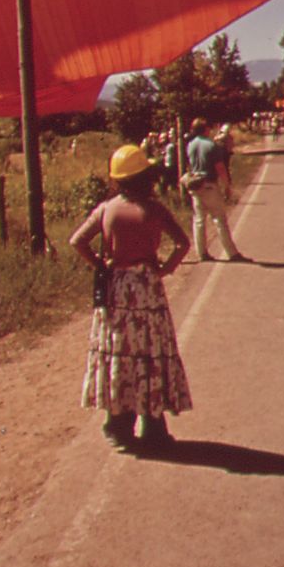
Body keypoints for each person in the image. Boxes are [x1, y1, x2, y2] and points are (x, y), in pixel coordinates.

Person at [70, 145, 192, 450]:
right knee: (150, 353)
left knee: (118, 353)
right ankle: (153, 425)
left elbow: (77, 241)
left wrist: (100, 263)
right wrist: (164, 268)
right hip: (147, 287)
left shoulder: (107, 209)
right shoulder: (155, 209)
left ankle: (118, 424)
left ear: (117, 180)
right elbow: (182, 243)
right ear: (145, 176)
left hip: (117, 288)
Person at [183, 118, 247, 262]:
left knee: (199, 220)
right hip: (209, 184)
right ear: (205, 129)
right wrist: (226, 187)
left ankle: (202, 253)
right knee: (219, 219)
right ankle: (232, 253)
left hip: (195, 184)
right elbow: (220, 168)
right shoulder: (212, 145)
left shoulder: (190, 145)